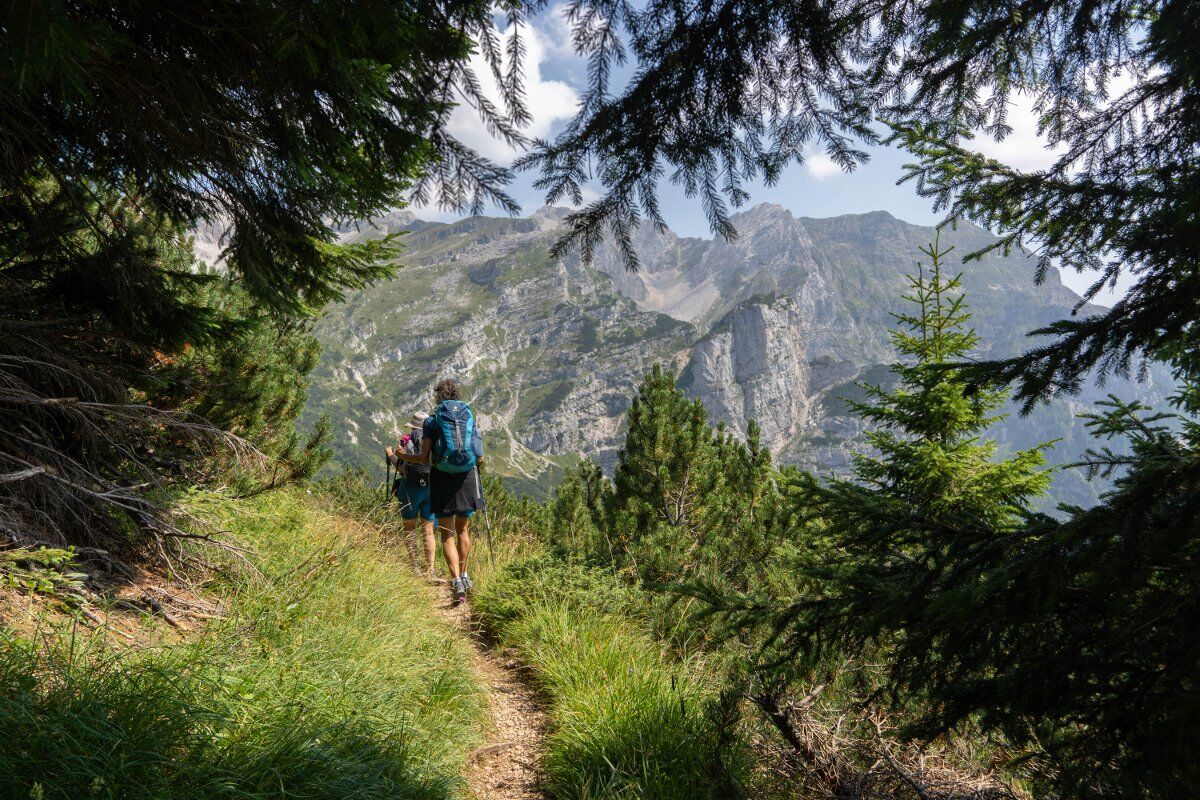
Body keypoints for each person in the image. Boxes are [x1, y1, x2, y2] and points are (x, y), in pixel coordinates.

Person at [392, 378, 485, 604]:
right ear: (457, 395)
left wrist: (401, 456)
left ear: (438, 398)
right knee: (464, 530)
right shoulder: (469, 418)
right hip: (467, 478)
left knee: (446, 532)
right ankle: (465, 575)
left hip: (442, 478)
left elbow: (424, 457)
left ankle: (456, 584)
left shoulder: (432, 423)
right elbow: (480, 457)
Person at [385, 412, 437, 580]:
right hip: (430, 488)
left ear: (413, 426)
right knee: (428, 531)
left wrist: (391, 455)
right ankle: (430, 570)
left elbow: (401, 469)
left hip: (410, 488)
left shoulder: (407, 441)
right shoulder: (434, 441)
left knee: (410, 528)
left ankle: (414, 567)